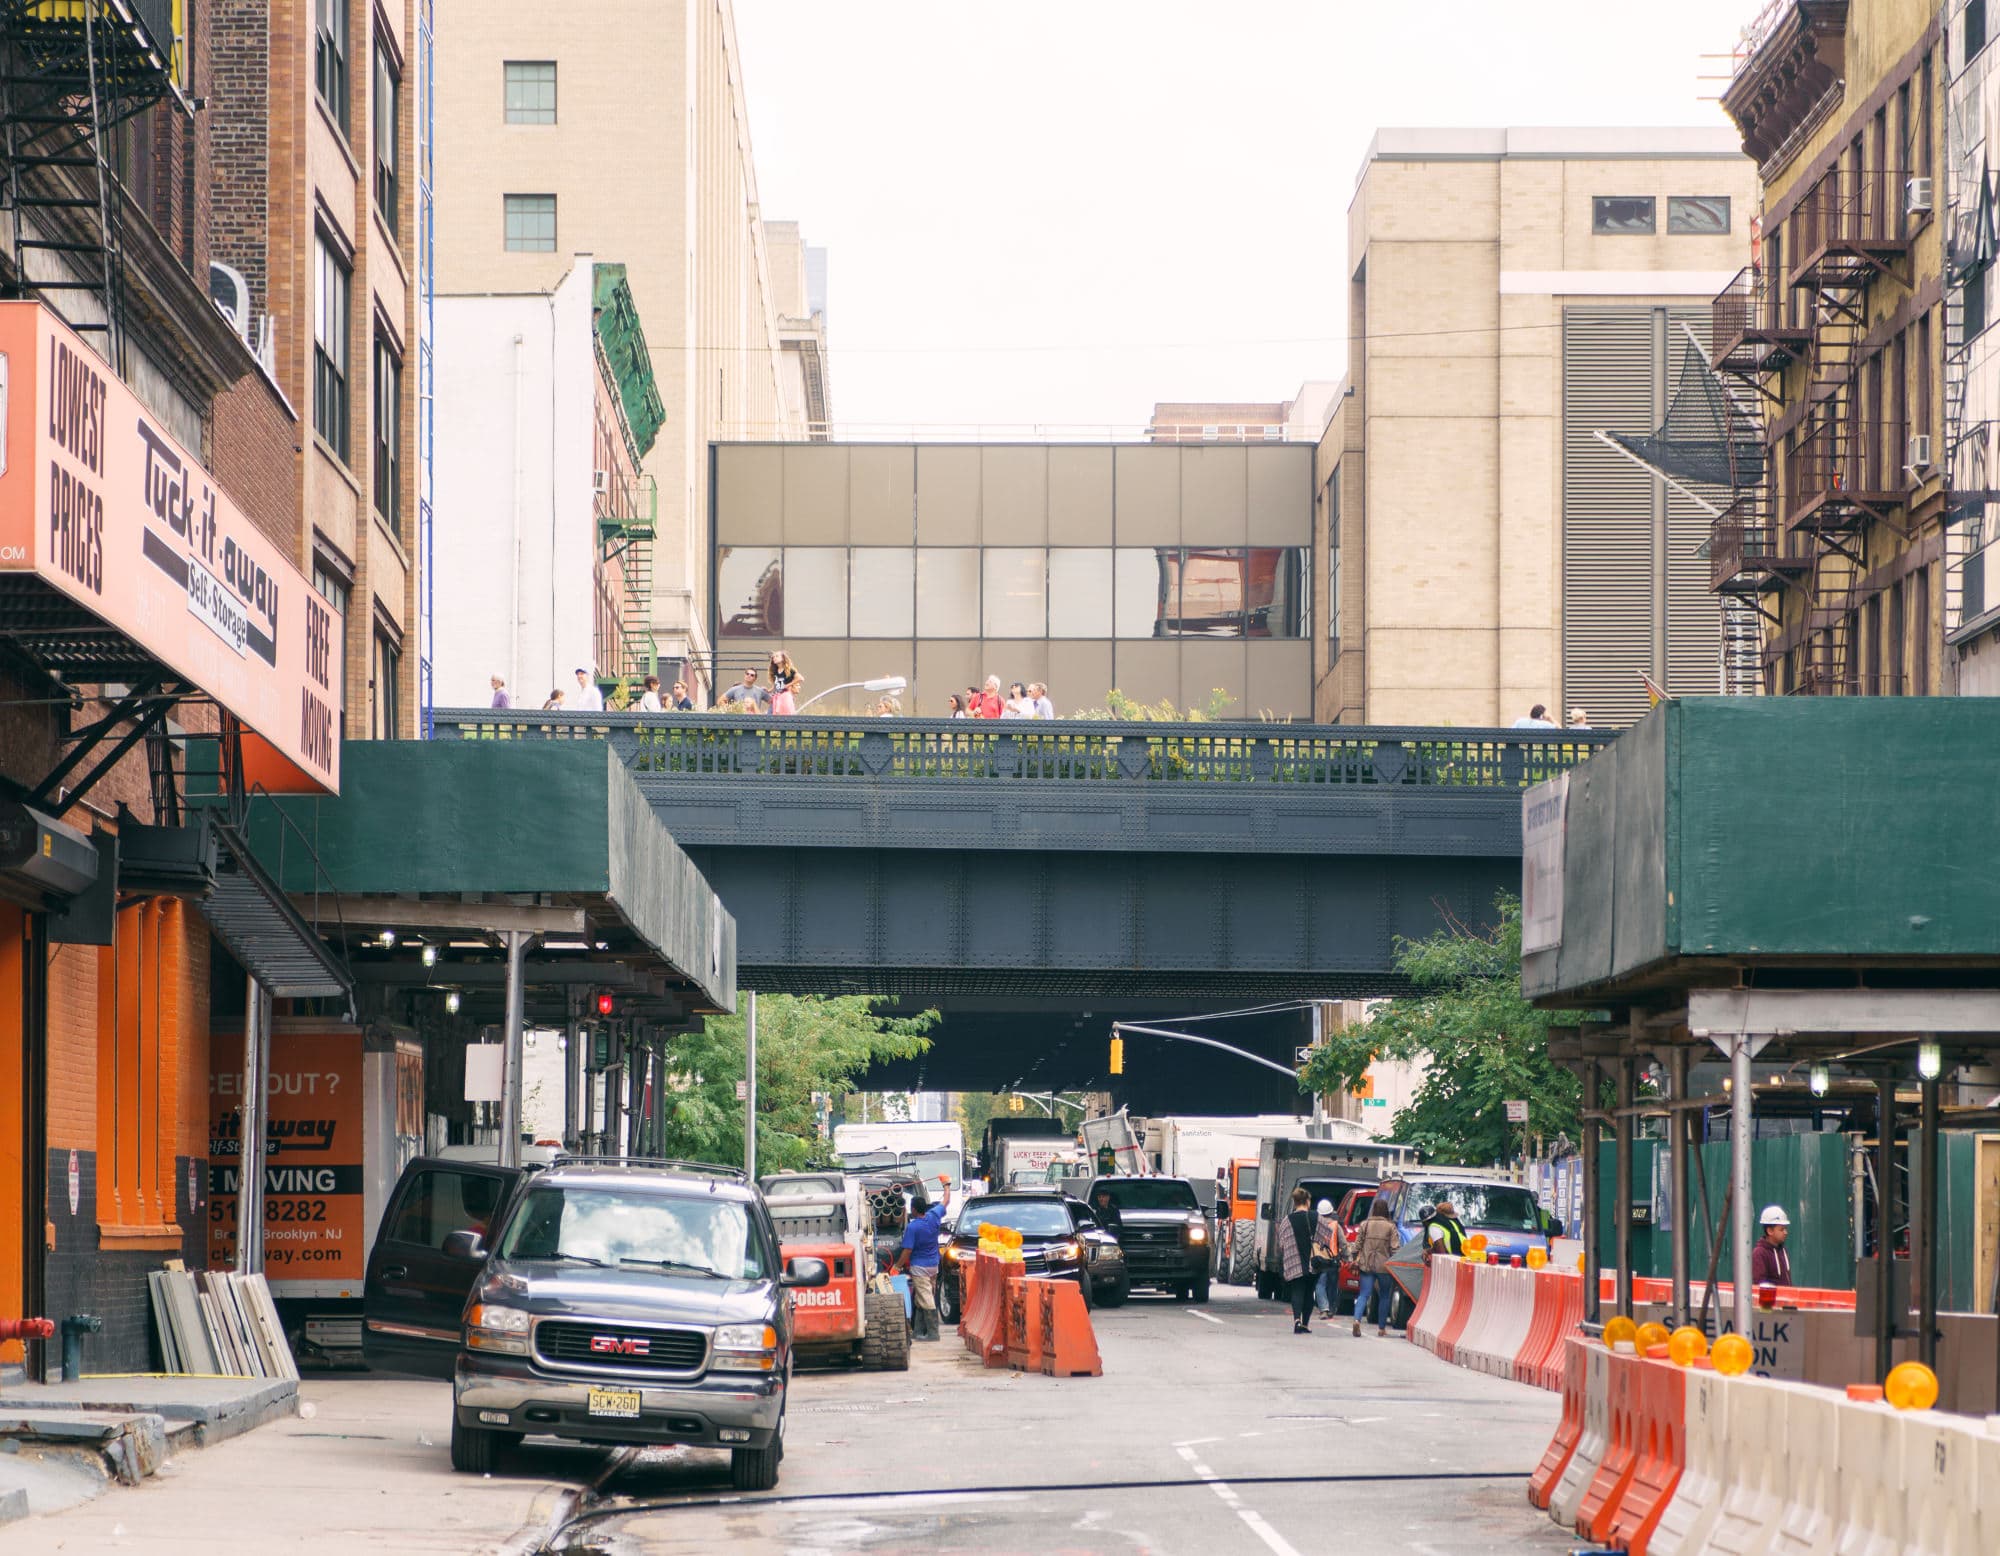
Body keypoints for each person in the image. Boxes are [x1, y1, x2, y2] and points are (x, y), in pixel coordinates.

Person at [898, 1188, 945, 1340]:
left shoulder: (913, 1227)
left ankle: (933, 1333)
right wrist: (946, 1186)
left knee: (926, 1298)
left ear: (912, 1209)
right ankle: (918, 1331)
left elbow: (907, 1251)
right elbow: (946, 1201)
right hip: (934, 1265)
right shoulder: (933, 1216)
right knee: (922, 1297)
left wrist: (896, 1266)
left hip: (920, 1268)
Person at [1350, 1198, 1401, 1335]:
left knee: (1363, 1294)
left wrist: (1354, 1259)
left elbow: (1357, 1245)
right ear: (1386, 1211)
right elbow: (1395, 1249)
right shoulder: (1391, 1227)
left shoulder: (1365, 1225)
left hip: (1366, 1265)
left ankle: (1356, 1320)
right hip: (1384, 1267)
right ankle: (1381, 1328)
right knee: (1384, 1296)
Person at [1282, 1187, 1317, 1333]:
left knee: (1297, 1290)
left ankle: (1296, 1320)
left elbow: (1281, 1243)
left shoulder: (1287, 1220)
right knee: (1309, 1292)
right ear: (1308, 1201)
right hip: (1313, 1261)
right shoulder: (1316, 1217)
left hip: (1295, 1261)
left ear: (1295, 1202)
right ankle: (1305, 1324)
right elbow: (1325, 1237)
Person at [1311, 1198, 1344, 1320]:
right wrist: (1348, 1257)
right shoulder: (1336, 1226)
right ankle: (1331, 1309)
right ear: (1331, 1212)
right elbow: (1343, 1243)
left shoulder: (1315, 1225)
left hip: (1319, 1260)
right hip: (1333, 1260)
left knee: (1320, 1285)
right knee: (1332, 1285)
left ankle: (1323, 1309)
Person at [1751, 1205, 1793, 1287]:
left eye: (1785, 1229)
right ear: (1770, 1231)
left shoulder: (1783, 1251)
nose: (1785, 1232)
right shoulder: (1759, 1253)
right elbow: (1759, 1285)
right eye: (1781, 1229)